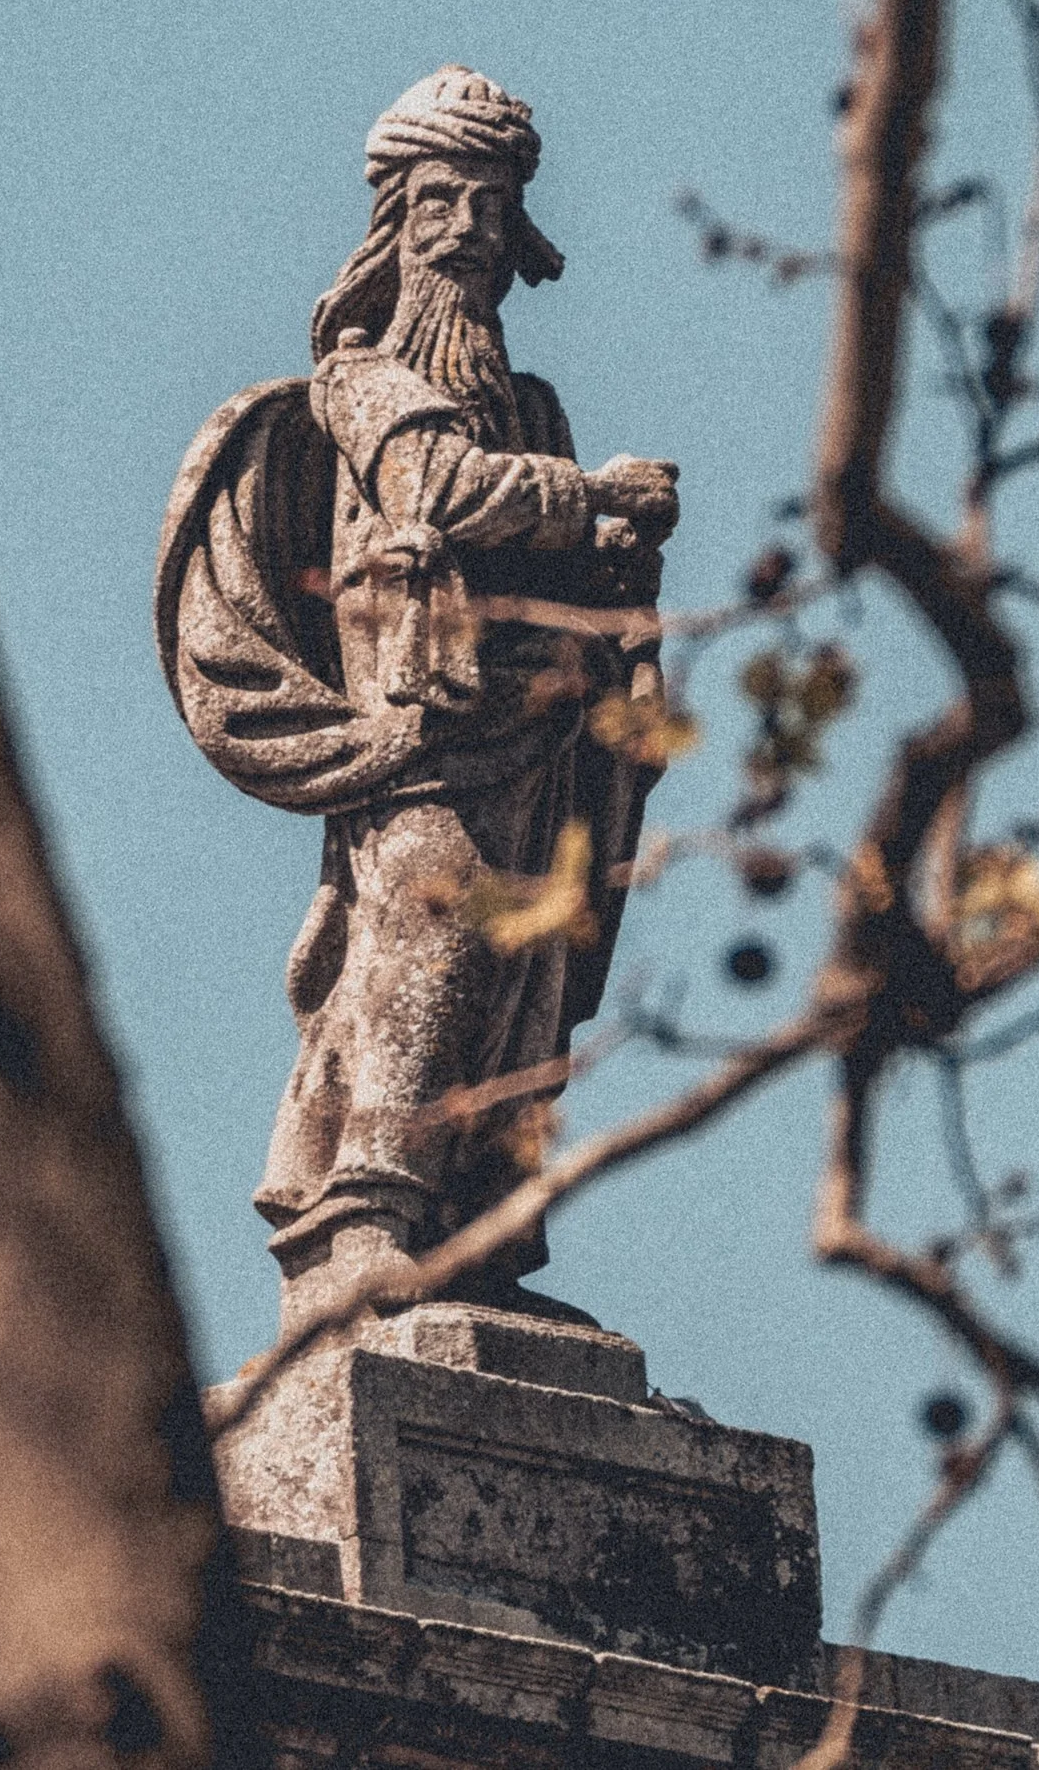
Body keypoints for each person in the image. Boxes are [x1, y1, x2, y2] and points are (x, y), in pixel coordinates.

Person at [156, 67, 680, 1333]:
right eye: (445, 204)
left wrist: (616, 559)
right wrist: (595, 495)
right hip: (426, 724)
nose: (471, 236)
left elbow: (550, 550)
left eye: (493, 209)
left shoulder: (537, 407)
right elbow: (437, 487)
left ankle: (471, 1233)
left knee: (520, 977)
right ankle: (366, 1219)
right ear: (395, 222)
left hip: (540, 726)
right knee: (421, 944)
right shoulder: (364, 378)